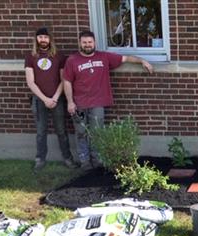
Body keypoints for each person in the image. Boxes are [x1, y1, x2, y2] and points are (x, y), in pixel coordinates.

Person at [63, 30, 153, 170]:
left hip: (98, 103)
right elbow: (67, 81)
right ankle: (84, 162)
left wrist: (142, 60)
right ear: (80, 43)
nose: (87, 45)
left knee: (97, 132)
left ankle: (97, 160)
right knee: (81, 132)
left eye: (90, 42)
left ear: (94, 43)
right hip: (79, 103)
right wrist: (70, 101)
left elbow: (125, 58)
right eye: (84, 42)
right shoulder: (72, 60)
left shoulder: (104, 57)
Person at [25, 27, 77, 171]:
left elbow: (64, 79)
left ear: (50, 39)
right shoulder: (31, 56)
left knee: (61, 131)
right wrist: (44, 98)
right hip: (39, 99)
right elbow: (30, 82)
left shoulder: (59, 56)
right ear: (36, 39)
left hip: (57, 99)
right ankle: (40, 159)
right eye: (40, 37)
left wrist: (54, 98)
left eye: (46, 37)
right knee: (41, 132)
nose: (43, 40)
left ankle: (68, 158)